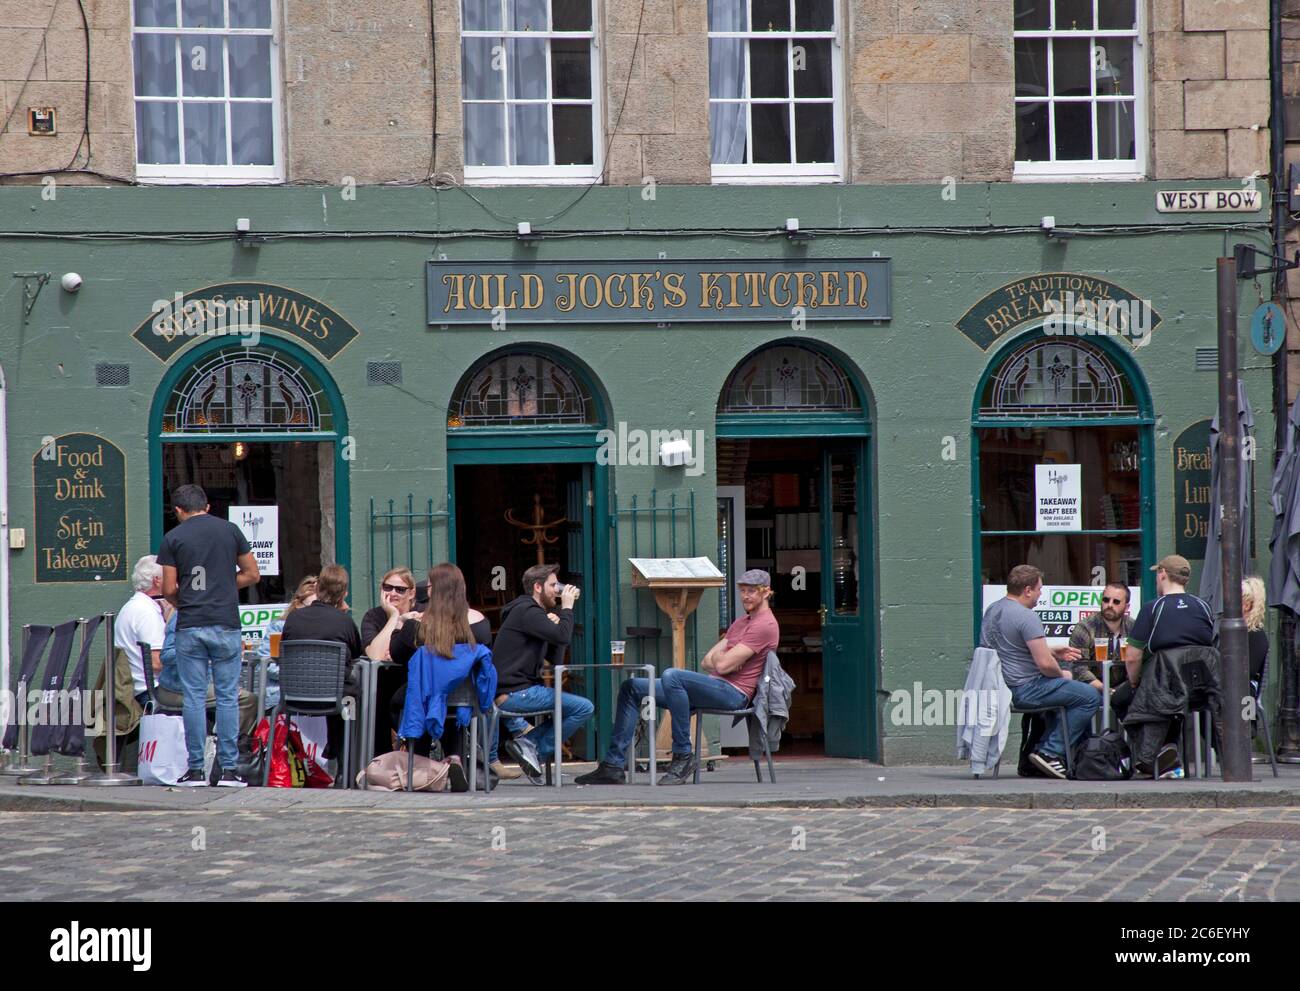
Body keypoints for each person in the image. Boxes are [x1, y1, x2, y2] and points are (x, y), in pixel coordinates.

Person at [577, 568, 780, 787]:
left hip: (734, 694)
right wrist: (726, 660)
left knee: (672, 675)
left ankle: (683, 755)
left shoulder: (765, 625)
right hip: (715, 684)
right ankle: (613, 766)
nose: (745, 596)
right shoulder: (741, 622)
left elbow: (718, 662)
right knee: (632, 687)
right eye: (743, 591)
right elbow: (707, 661)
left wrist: (724, 661)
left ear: (766, 592)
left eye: (752, 591)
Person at [158, 484, 260, 788]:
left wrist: (186, 600)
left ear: (178, 510)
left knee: (194, 697)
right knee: (228, 697)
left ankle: (196, 770)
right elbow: (253, 574)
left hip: (191, 624)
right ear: (208, 506)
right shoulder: (230, 531)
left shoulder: (172, 538)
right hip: (225, 622)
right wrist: (225, 586)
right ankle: (229, 770)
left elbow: (167, 589)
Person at [388, 569, 518, 776]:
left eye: (428, 587)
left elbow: (397, 654)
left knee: (404, 700)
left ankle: (422, 760)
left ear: (435, 591)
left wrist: (399, 622)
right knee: (451, 703)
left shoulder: (417, 625)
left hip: (428, 694)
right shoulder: (480, 623)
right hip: (467, 697)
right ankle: (455, 758)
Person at [977, 564, 1095, 780]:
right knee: (1088, 696)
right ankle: (1050, 753)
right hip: (1024, 689)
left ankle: (1037, 757)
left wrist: (1052, 650)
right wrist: (1062, 674)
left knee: (1066, 696)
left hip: (1001, 688)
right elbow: (1045, 665)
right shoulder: (1027, 616)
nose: (1041, 594)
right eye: (1039, 589)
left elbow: (1010, 648)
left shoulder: (993, 610)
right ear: (1028, 590)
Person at [488, 564, 594, 783]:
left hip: (518, 691)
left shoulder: (532, 614)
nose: (558, 589)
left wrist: (554, 628)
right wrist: (566, 609)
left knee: (575, 708)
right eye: (553, 585)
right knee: (584, 707)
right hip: (515, 693)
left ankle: (531, 745)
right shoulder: (526, 610)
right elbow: (564, 637)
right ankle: (532, 746)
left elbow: (556, 657)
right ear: (537, 587)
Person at [1119, 554, 1215, 776]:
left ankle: (1152, 753)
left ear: (1162, 574)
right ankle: (1168, 752)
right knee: (1175, 702)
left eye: (1157, 574)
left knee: (1122, 699)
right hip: (1199, 688)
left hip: (1161, 685)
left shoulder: (1153, 607)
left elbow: (1132, 657)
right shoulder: (1203, 607)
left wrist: (1134, 683)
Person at [279, 564, 363, 768]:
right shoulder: (344, 622)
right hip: (334, 697)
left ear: (317, 589)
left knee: (340, 690)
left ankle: (331, 750)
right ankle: (345, 767)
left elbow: (283, 646)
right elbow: (357, 653)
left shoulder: (293, 618)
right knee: (350, 697)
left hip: (293, 695)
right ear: (344, 593)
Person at [158, 612, 258, 737]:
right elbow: (166, 655)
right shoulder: (184, 615)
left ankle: (224, 746)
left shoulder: (218, 616)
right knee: (247, 699)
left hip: (207, 683)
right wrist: (203, 650)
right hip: (178, 688)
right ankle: (230, 748)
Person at [255, 574, 319, 711]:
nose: (312, 614)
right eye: (309, 608)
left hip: (318, 695)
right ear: (297, 605)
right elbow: (263, 664)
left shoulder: (325, 628)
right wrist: (299, 674)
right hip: (280, 694)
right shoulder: (279, 627)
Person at [115, 555, 171, 708]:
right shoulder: (146, 613)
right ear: (157, 580)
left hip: (139, 689)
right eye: (170, 575)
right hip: (152, 692)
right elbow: (157, 662)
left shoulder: (135, 606)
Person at [1067, 582, 1134, 691]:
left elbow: (1141, 664)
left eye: (1116, 602)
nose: (1110, 605)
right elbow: (1078, 667)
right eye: (1106, 600)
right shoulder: (1085, 627)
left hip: (1126, 688)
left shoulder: (1134, 628)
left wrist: (1122, 691)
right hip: (1091, 688)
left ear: (1126, 607)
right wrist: (1105, 689)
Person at [362, 567, 422, 660]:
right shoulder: (372, 616)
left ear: (411, 594)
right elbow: (375, 656)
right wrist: (394, 616)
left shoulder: (420, 612)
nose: (393, 593)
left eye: (400, 589)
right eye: (388, 587)